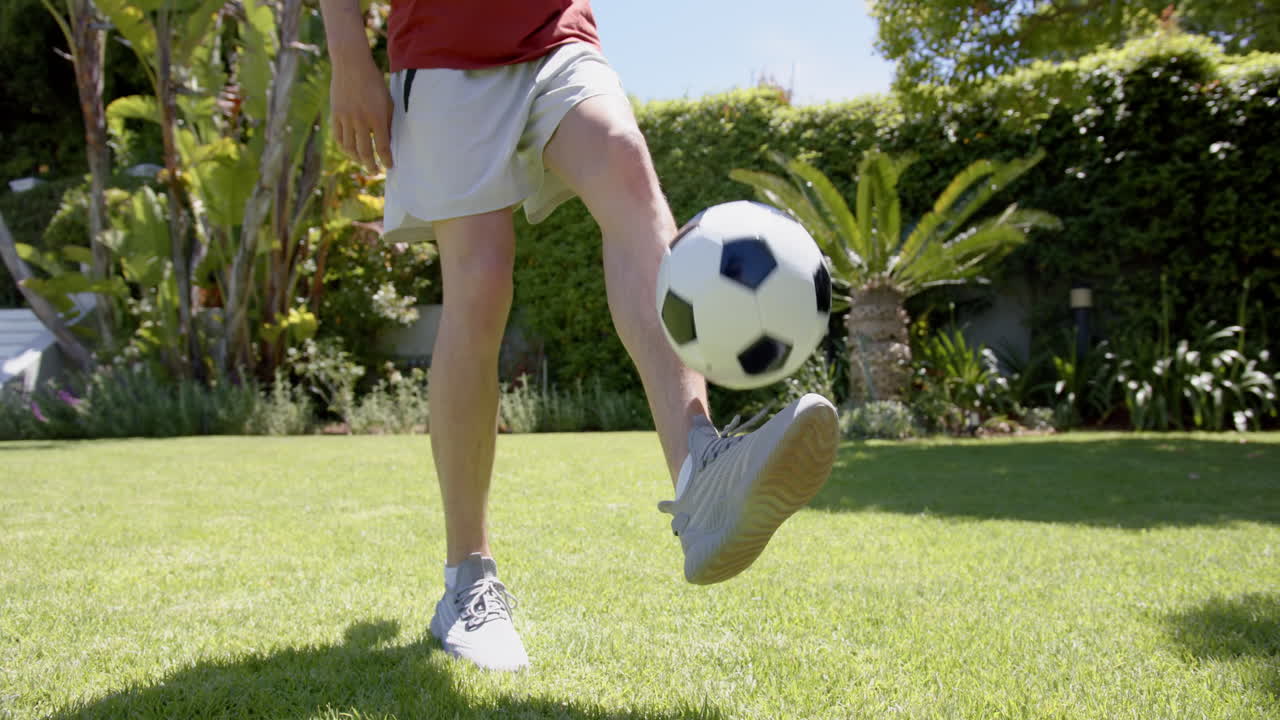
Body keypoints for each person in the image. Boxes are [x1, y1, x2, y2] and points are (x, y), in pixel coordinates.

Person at [319, 0, 839, 672]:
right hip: (442, 44)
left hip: (554, 30)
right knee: (479, 281)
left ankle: (700, 470)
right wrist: (346, 56)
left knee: (625, 164)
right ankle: (467, 580)